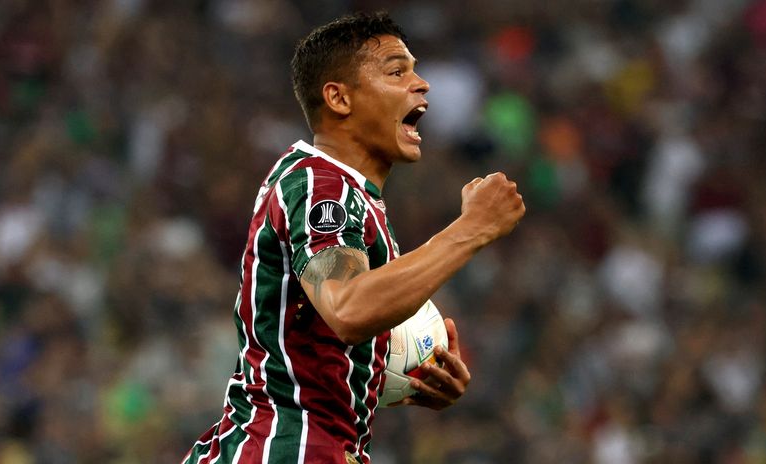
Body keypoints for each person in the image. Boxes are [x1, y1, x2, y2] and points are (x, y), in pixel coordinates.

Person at [182, 11, 525, 464]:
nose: (421, 84)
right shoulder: (321, 185)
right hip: (287, 448)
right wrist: (470, 230)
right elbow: (348, 307)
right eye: (397, 71)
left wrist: (410, 376)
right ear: (339, 98)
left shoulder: (346, 194)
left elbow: (316, 344)